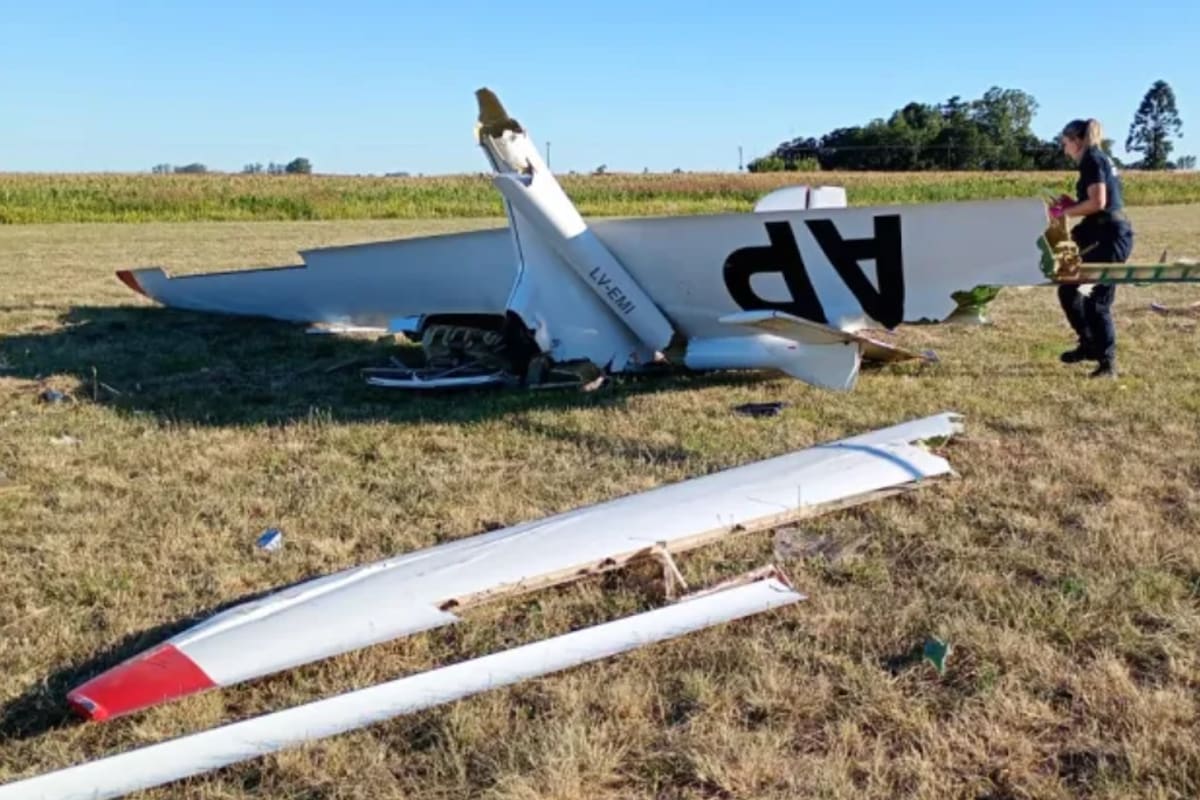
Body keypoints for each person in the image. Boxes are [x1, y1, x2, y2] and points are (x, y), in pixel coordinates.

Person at [1051, 118, 1134, 378]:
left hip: (1108, 235)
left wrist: (1064, 212)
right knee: (1068, 289)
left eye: (1065, 144)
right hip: (1097, 232)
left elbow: (1098, 202)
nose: (1064, 150)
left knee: (1096, 302)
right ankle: (1088, 344)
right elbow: (1092, 201)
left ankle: (1107, 363)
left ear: (1076, 140)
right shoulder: (1096, 159)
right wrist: (1070, 204)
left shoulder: (1093, 159)